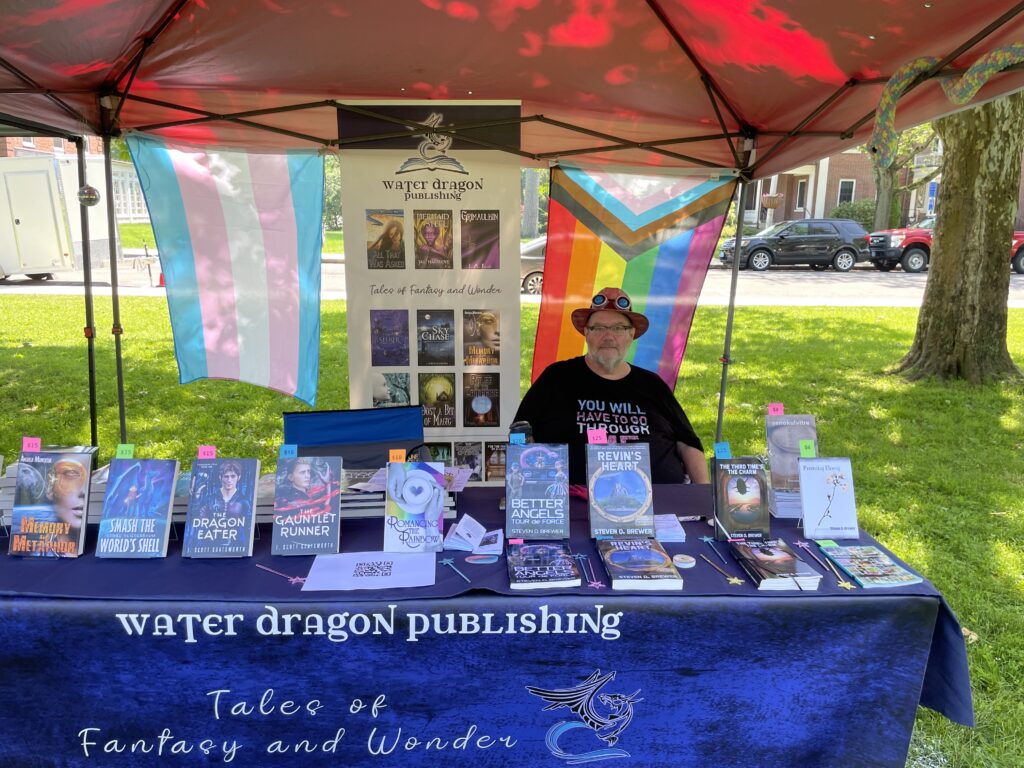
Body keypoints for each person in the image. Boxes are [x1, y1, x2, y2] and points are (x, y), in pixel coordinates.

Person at [514, 287, 707, 486]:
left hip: (661, 506)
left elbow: (689, 444)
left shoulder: (652, 384)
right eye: (598, 328)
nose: (608, 336)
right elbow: (519, 433)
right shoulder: (557, 377)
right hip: (574, 503)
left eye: (618, 328)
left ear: (631, 334)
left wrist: (703, 501)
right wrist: (533, 487)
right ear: (587, 333)